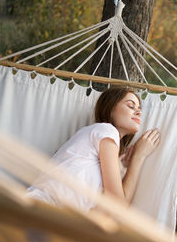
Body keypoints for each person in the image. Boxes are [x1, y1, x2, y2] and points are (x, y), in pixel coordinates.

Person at [26, 87, 161, 211]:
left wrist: (123, 166)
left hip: (53, 219)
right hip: (39, 208)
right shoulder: (107, 130)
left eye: (139, 108)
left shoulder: (101, 153)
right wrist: (139, 156)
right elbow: (119, 206)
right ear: (111, 108)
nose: (138, 111)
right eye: (131, 105)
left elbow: (114, 210)